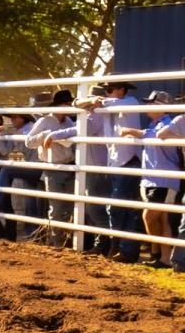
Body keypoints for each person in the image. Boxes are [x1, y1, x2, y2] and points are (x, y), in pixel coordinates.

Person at [74, 80, 142, 263]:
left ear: (122, 90)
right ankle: (124, 249)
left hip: (128, 161)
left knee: (119, 206)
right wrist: (91, 101)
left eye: (110, 90)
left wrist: (93, 100)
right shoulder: (108, 105)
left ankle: (120, 246)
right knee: (124, 208)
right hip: (117, 162)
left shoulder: (130, 102)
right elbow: (77, 103)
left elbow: (89, 103)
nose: (107, 93)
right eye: (105, 90)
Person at [43, 85, 111, 255]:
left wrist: (54, 135)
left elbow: (81, 129)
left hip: (95, 167)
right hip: (94, 165)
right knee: (93, 207)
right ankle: (103, 243)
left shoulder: (96, 115)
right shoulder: (95, 115)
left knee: (94, 208)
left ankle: (106, 242)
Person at [118, 90, 182, 268]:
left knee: (150, 217)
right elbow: (152, 134)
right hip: (154, 178)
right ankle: (163, 258)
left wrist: (133, 132)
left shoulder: (168, 124)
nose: (146, 106)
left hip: (164, 179)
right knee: (161, 218)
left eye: (150, 103)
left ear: (162, 107)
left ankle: (157, 252)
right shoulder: (156, 123)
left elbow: (156, 135)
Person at [23, 90, 76, 247]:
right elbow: (29, 142)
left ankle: (63, 241)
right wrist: (46, 135)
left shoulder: (69, 122)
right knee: (57, 207)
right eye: (66, 104)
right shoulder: (45, 122)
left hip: (69, 165)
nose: (68, 107)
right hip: (53, 167)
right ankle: (56, 242)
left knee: (68, 206)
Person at [0, 112, 41, 238]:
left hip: (4, 170)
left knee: (9, 199)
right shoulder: (7, 132)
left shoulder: (28, 128)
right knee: (30, 200)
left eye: (15, 117)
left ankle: (9, 231)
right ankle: (29, 232)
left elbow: (4, 151)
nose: (13, 120)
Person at [159, 110, 185, 271]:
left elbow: (162, 134)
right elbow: (162, 134)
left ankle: (179, 261)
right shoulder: (182, 119)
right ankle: (179, 261)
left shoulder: (181, 119)